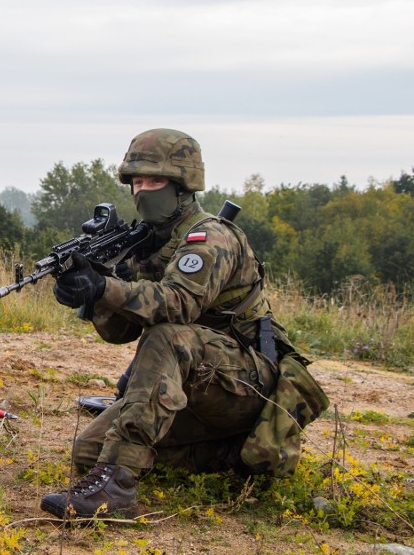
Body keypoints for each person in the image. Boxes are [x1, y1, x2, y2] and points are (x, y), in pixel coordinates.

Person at [40, 128, 328, 520]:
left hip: (248, 382)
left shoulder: (210, 237)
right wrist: (94, 295)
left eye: (154, 181)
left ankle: (118, 488)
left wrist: (106, 287)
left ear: (183, 185)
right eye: (136, 182)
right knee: (88, 451)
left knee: (167, 336)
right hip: (199, 384)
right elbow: (119, 334)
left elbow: (178, 305)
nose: (143, 191)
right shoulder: (153, 244)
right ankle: (231, 452)